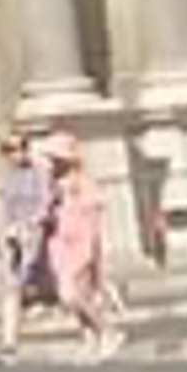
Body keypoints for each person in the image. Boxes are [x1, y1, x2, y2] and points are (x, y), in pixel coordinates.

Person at [38, 128, 126, 355]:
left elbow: (94, 219)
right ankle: (89, 336)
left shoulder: (84, 183)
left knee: (72, 294)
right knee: (71, 294)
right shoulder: (52, 184)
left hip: (80, 241)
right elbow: (47, 213)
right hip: (58, 243)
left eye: (54, 158)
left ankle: (107, 330)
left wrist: (96, 252)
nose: (51, 163)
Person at [0, 121, 54, 353]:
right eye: (7, 150)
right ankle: (9, 342)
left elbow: (46, 201)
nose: (13, 155)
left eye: (16, 149)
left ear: (26, 149)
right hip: (18, 237)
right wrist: (7, 231)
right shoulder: (8, 176)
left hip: (40, 235)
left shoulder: (40, 171)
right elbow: (6, 207)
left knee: (67, 286)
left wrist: (35, 222)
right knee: (12, 288)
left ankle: (101, 322)